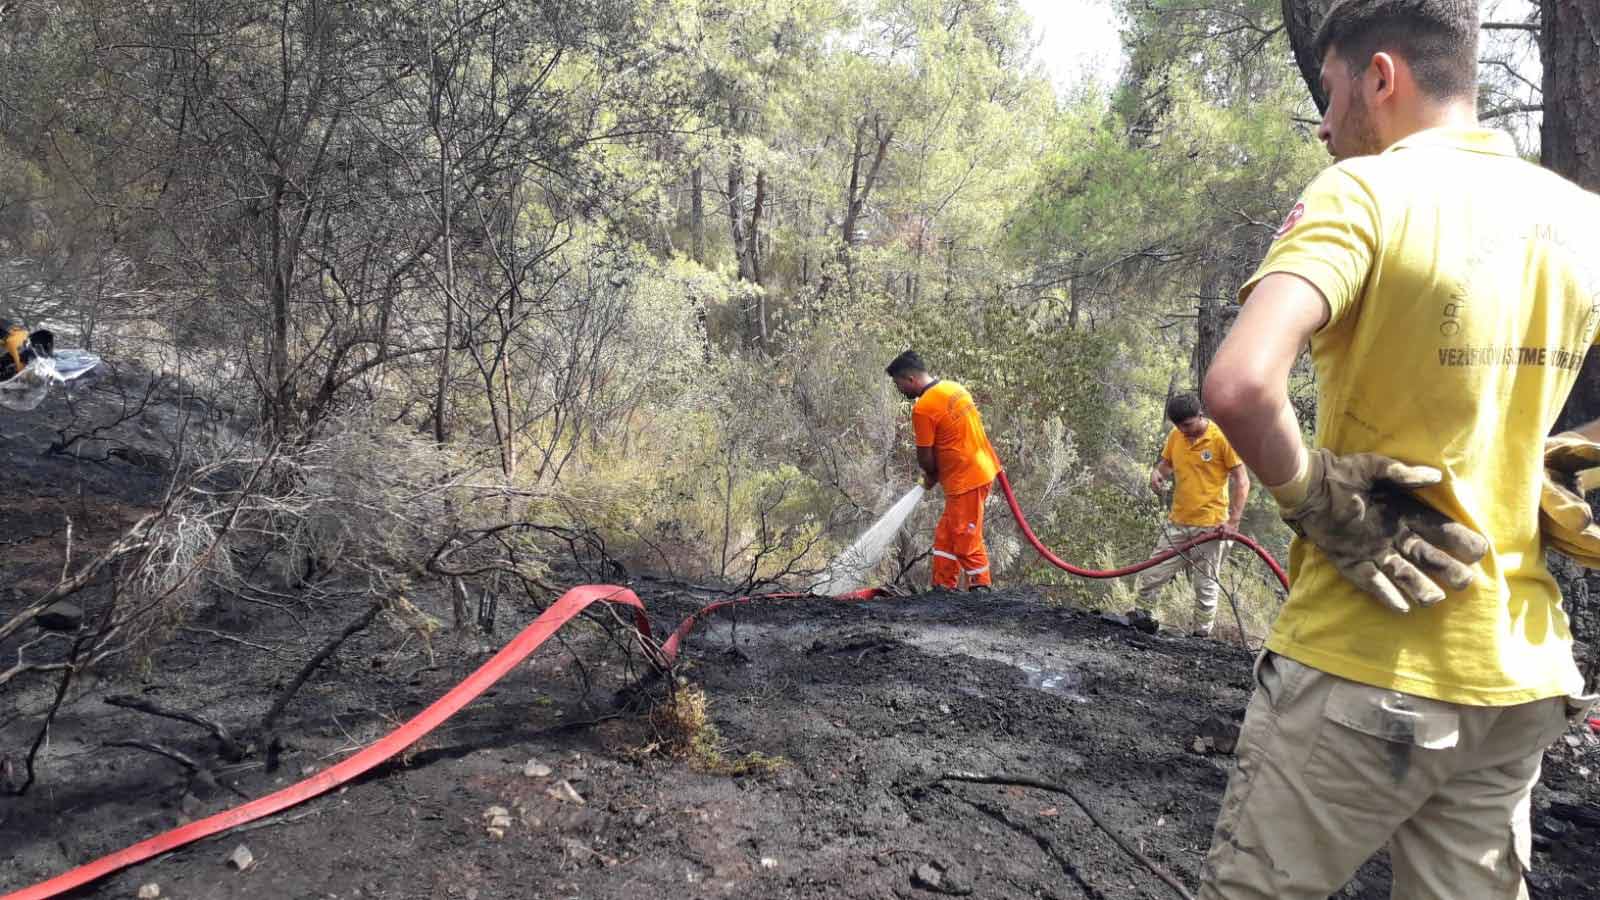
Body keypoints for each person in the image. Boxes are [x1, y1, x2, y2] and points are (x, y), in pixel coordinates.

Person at [1197, 1, 1599, 896]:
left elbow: (1241, 385)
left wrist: (1314, 501)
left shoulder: (1367, 192)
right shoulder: (1582, 219)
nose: (1328, 126)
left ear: (1382, 76)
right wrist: (1558, 449)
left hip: (1365, 666)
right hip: (1519, 675)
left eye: (1332, 95)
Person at [1134, 392, 1249, 637]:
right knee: (1153, 574)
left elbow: (1242, 481)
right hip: (1178, 522)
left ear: (1200, 416)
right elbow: (1166, 465)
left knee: (1205, 585)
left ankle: (1201, 636)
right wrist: (1158, 474)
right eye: (1177, 425)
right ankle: (1141, 621)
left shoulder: (1221, 439)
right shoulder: (1176, 436)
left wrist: (1234, 521)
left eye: (1186, 424)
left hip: (1211, 527)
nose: (1182, 430)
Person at [886, 350, 1001, 592]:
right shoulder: (954, 388)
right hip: (980, 468)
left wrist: (929, 474)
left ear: (910, 380)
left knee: (964, 537)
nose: (901, 391)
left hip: (966, 479)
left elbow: (925, 457)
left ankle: (982, 590)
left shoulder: (924, 408)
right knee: (946, 536)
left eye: (899, 385)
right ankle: (942, 589)